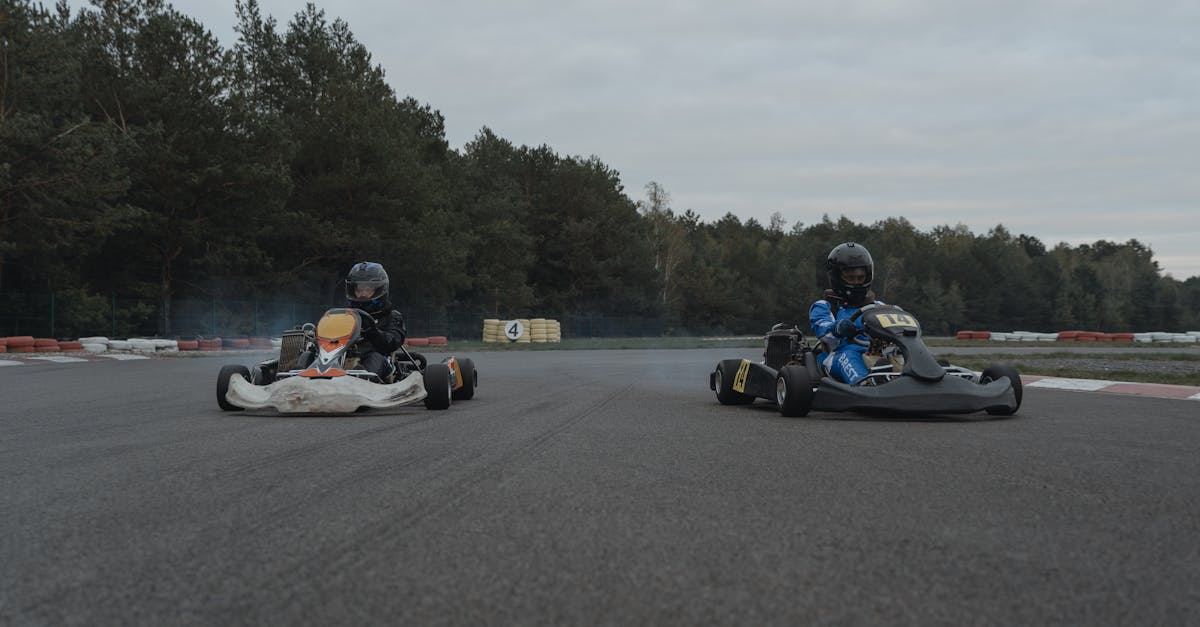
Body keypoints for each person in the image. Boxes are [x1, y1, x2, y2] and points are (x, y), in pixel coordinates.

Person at [296, 261, 407, 381]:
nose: (362, 294)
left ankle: (361, 379)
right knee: (307, 354)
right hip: (338, 355)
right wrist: (314, 333)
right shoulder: (344, 314)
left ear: (380, 289)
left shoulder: (391, 316)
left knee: (375, 357)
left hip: (376, 360)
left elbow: (393, 342)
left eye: (368, 289)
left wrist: (373, 332)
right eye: (359, 289)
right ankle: (297, 378)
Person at [809, 242, 878, 385]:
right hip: (838, 355)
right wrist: (838, 328)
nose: (857, 283)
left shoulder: (878, 307)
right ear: (837, 278)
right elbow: (823, 332)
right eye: (851, 278)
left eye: (860, 278)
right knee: (848, 356)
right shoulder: (825, 307)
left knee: (901, 354)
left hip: (876, 353)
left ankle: (922, 381)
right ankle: (865, 386)